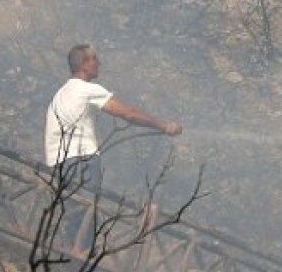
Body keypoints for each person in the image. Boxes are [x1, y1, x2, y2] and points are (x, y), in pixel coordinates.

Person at [43, 44, 182, 249]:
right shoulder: (87, 90)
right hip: (82, 160)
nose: (99, 63)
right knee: (87, 210)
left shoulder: (61, 94)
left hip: (57, 161)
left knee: (73, 210)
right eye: (95, 59)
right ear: (84, 64)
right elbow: (128, 113)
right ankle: (80, 257)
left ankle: (69, 253)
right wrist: (164, 125)